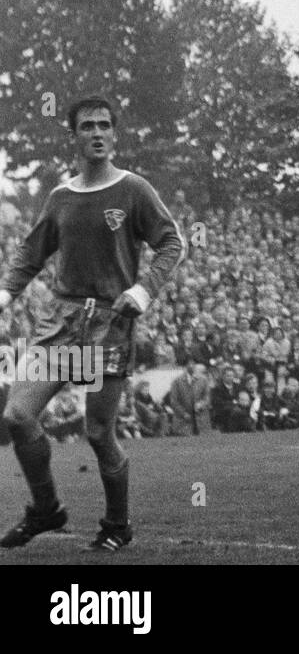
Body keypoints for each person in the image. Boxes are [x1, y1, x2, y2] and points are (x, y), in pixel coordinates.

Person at [0, 96, 184, 552]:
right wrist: (5, 294)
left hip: (109, 323)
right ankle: (47, 509)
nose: (97, 132)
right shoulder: (61, 197)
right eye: (87, 126)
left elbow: (171, 243)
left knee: (99, 433)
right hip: (62, 322)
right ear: (74, 136)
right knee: (18, 416)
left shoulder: (134, 189)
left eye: (105, 125)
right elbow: (30, 253)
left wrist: (142, 290)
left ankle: (117, 524)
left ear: (114, 135)